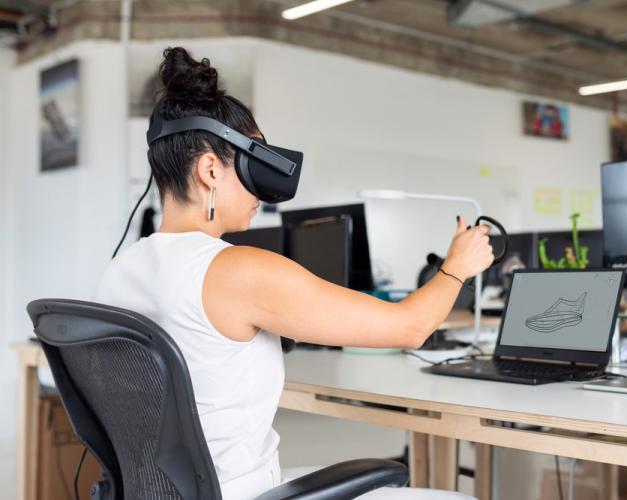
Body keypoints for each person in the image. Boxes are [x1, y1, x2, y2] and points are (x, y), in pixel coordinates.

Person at [94, 47, 491, 500]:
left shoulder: (119, 271)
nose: (260, 190)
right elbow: (411, 327)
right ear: (209, 170)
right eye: (252, 160)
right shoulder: (236, 269)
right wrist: (457, 266)